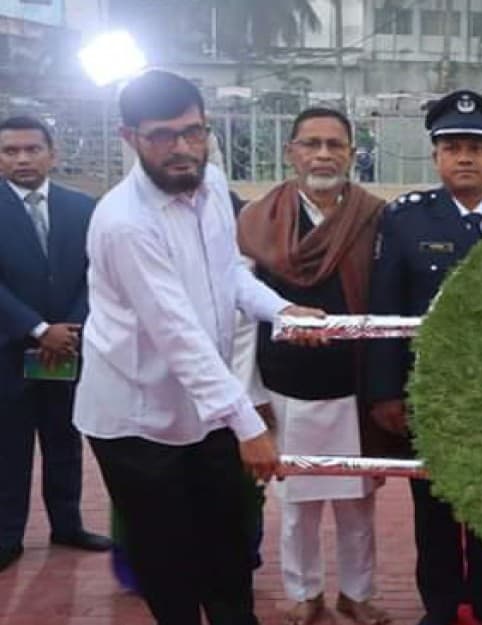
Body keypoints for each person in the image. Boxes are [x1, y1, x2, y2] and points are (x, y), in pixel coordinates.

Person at [72, 69, 322, 625]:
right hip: (137, 418)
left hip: (206, 409)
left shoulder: (209, 188)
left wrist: (280, 310)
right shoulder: (123, 223)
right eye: (163, 135)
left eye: (194, 131)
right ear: (129, 137)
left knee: (230, 543)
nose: (182, 149)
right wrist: (250, 426)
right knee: (167, 557)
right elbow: (176, 333)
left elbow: (228, 273)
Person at [367, 90, 482, 625]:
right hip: (431, 392)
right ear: (436, 156)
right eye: (452, 146)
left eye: (477, 147)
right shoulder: (406, 218)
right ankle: (439, 603)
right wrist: (385, 391)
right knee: (434, 505)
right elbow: (385, 308)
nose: (464, 156)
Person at [238, 107, 390, 625]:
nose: (323, 154)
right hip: (283, 382)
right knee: (296, 501)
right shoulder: (258, 218)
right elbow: (240, 313)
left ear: (352, 152)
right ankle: (304, 593)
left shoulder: (375, 216)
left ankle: (357, 593)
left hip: (354, 381)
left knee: (357, 501)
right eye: (311, 143)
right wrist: (247, 392)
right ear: (291, 152)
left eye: (334, 144)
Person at [0, 115, 109, 572]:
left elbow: (98, 274)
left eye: (32, 149)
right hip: (9, 349)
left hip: (70, 349)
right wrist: (39, 329)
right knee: (10, 447)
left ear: (53, 153)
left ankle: (68, 524)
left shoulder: (83, 208)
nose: (23, 158)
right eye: (10, 151)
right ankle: (7, 536)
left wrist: (72, 328)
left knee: (65, 440)